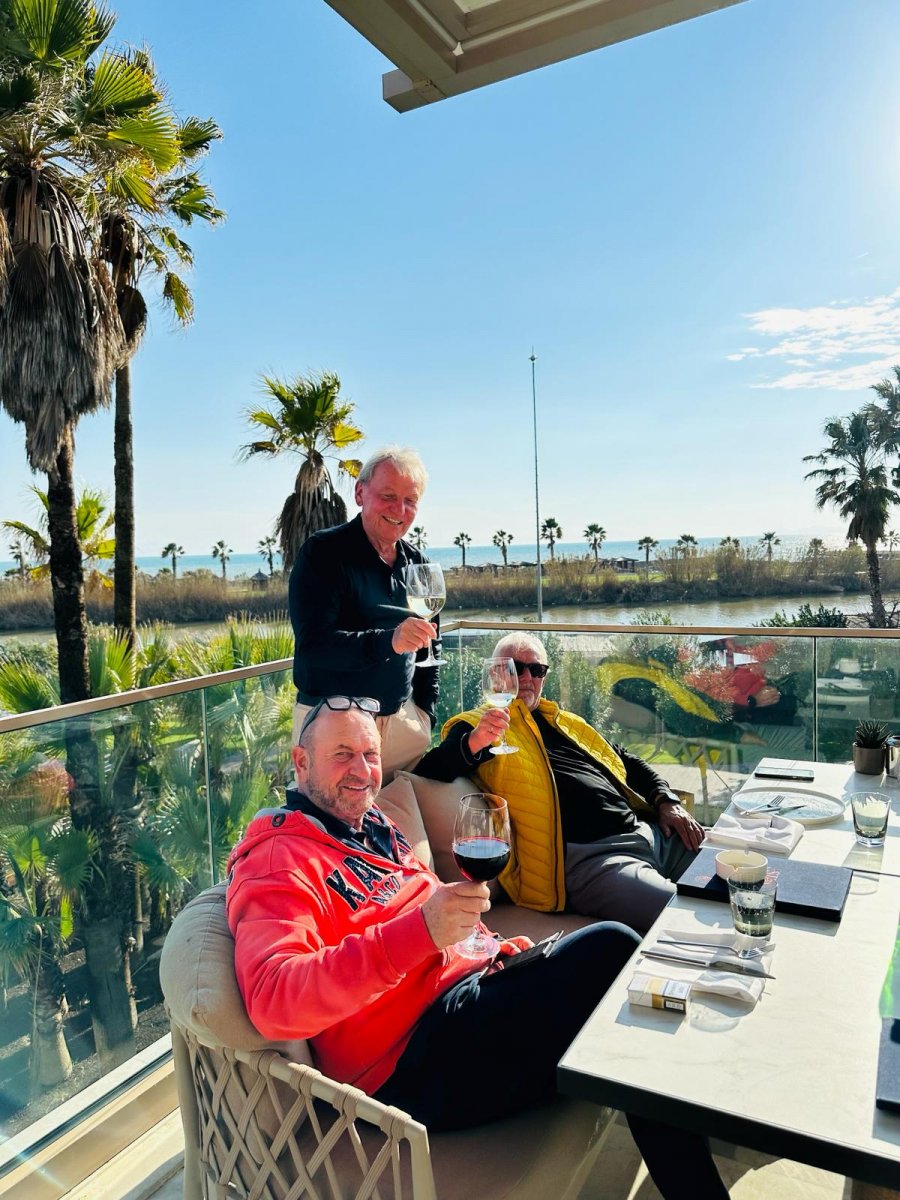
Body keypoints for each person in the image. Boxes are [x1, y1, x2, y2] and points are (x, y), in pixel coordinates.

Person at [225, 698, 729, 1200]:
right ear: (301, 762)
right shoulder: (277, 859)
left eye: (370, 754)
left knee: (624, 996)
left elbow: (433, 922)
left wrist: (496, 950)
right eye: (342, 754)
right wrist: (420, 931)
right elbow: (274, 999)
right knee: (613, 951)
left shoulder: (369, 825)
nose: (362, 771)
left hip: (470, 1000)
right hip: (409, 1062)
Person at [416, 632, 705, 933]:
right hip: (595, 861)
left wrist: (666, 800)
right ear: (494, 674)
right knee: (684, 916)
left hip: (650, 834)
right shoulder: (479, 724)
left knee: (728, 871)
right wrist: (475, 741)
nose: (526, 678)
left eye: (536, 669)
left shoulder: (566, 721)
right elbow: (431, 770)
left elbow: (626, 761)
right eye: (516, 668)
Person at [288, 446, 438, 780]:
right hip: (334, 730)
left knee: (409, 816)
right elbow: (314, 646)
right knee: (331, 816)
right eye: (388, 496)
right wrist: (390, 641)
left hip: (403, 727)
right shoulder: (323, 553)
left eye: (410, 500)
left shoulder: (418, 564)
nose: (399, 509)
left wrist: (426, 713)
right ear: (360, 493)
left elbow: (432, 644)